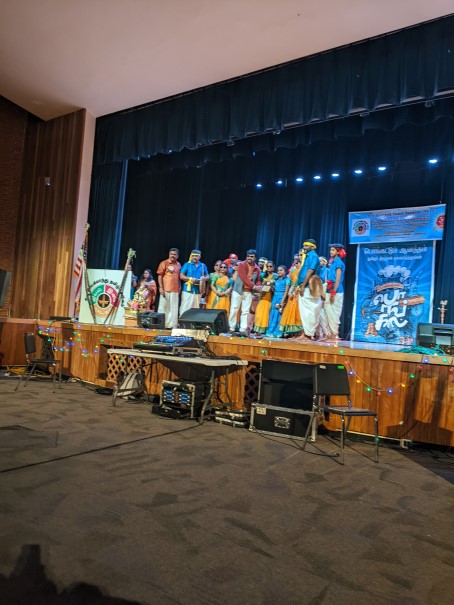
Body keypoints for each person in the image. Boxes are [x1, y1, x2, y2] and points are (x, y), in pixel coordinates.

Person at [228, 249, 261, 334]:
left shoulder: (257, 269)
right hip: (238, 290)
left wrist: (259, 285)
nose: (249, 258)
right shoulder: (242, 265)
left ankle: (242, 330)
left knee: (245, 311)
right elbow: (243, 278)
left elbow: (257, 280)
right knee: (234, 309)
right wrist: (254, 286)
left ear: (255, 258)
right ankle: (231, 328)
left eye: (252, 256)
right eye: (248, 256)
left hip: (248, 292)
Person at [296, 239, 323, 339]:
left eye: (307, 245)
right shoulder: (308, 256)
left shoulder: (313, 256)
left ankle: (309, 334)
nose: (304, 247)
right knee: (306, 311)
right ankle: (308, 333)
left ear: (313, 247)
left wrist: (303, 285)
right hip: (305, 286)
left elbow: (311, 270)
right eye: (304, 245)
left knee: (309, 311)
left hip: (308, 287)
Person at [324, 243, 346, 339]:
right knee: (328, 312)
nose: (330, 252)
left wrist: (333, 293)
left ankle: (334, 334)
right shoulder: (333, 262)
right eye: (330, 250)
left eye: (333, 250)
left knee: (334, 313)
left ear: (338, 252)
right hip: (330, 288)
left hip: (336, 290)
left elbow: (338, 279)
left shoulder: (338, 263)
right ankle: (329, 334)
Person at [156, 248, 181, 329]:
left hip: (175, 289)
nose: (172, 256)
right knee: (164, 307)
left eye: (174, 254)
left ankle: (172, 325)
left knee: (173, 308)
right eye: (171, 254)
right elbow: (160, 275)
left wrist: (179, 287)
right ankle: (162, 324)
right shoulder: (164, 263)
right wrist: (161, 288)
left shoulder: (179, 265)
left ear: (177, 256)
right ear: (169, 255)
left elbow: (179, 277)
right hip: (166, 288)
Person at [179, 249, 209, 316]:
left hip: (198, 290)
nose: (194, 257)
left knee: (195, 308)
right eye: (193, 256)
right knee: (185, 307)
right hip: (188, 289)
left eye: (196, 256)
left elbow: (207, 276)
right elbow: (181, 276)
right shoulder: (187, 264)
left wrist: (204, 278)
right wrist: (190, 279)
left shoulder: (203, 266)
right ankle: (182, 322)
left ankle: (192, 324)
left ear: (199, 257)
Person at [279, 256, 303, 336]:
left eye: (298, 263)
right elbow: (292, 283)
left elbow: (301, 282)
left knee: (297, 312)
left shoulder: (302, 270)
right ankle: (292, 333)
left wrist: (297, 289)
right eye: (295, 263)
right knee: (289, 311)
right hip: (292, 293)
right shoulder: (293, 271)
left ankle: (299, 333)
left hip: (299, 292)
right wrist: (290, 292)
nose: (296, 265)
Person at [266, 265, 291, 337]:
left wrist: (282, 301)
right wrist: (271, 286)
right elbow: (274, 290)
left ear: (285, 271)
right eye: (278, 270)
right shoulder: (276, 279)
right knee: (273, 314)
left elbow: (286, 291)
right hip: (275, 297)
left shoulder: (287, 280)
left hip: (281, 297)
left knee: (279, 315)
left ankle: (278, 332)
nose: (279, 272)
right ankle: (270, 331)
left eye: (281, 270)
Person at [253, 261, 277, 334]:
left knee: (267, 314)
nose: (269, 268)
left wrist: (270, 285)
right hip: (262, 296)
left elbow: (276, 287)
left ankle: (265, 330)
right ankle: (257, 330)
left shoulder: (276, 276)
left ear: (273, 267)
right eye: (267, 266)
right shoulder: (263, 275)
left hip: (270, 297)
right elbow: (260, 286)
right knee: (259, 313)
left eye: (270, 266)